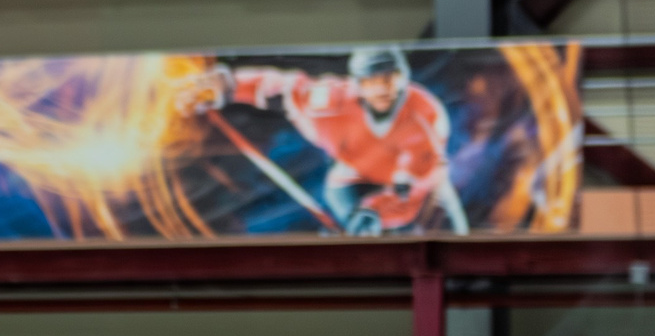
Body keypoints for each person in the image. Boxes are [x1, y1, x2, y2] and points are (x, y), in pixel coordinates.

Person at [181, 44, 464, 235]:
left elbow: (412, 191)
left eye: (391, 77)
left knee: (452, 239)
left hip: (421, 191)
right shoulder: (329, 103)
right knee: (341, 202)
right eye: (372, 79)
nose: (382, 88)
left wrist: (373, 213)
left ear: (404, 78)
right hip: (354, 173)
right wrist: (227, 84)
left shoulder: (426, 117)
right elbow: (281, 87)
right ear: (358, 83)